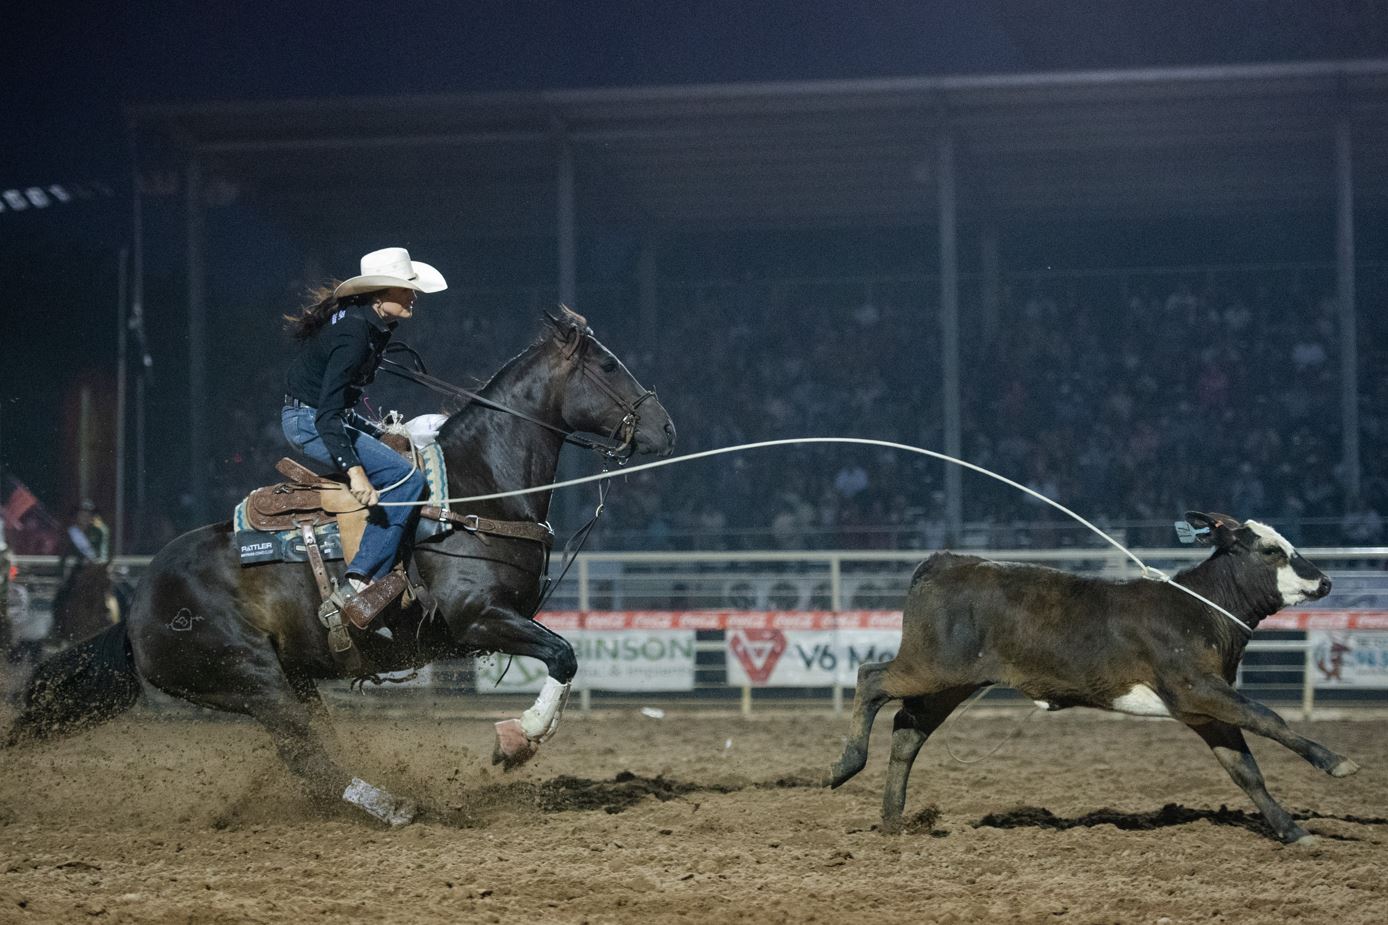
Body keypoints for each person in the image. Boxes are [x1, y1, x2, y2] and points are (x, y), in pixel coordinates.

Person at [281, 247, 442, 626]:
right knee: (407, 479)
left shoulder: (367, 325)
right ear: (380, 294)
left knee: (401, 451)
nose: (413, 296)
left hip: (327, 415)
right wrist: (354, 470)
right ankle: (359, 584)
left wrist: (379, 432)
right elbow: (328, 415)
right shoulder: (355, 333)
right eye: (405, 289)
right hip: (312, 421)